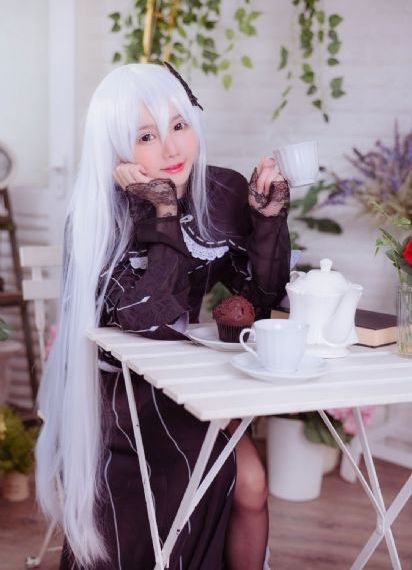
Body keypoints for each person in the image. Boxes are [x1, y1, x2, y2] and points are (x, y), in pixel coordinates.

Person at [35, 63, 291, 570]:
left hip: (190, 379)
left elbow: (259, 301)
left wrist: (267, 221)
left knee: (252, 483)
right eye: (146, 136)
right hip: (120, 393)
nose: (172, 149)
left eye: (179, 126)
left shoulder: (217, 191)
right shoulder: (98, 216)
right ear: (116, 149)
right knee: (207, 479)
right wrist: (163, 213)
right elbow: (148, 320)